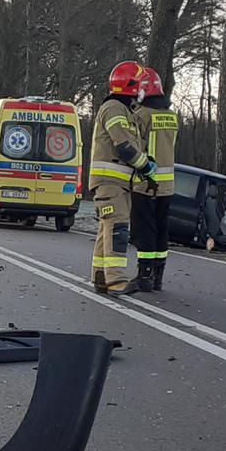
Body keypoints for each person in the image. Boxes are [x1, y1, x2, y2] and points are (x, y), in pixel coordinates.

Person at [88, 60, 156, 295]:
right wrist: (146, 166)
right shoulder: (115, 109)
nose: (142, 90)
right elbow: (125, 146)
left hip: (116, 184)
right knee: (117, 229)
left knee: (106, 229)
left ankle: (100, 277)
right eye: (138, 85)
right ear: (130, 86)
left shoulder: (123, 110)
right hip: (111, 183)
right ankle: (116, 281)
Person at [130, 66, 179, 291]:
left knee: (145, 229)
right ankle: (158, 275)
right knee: (161, 228)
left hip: (145, 182)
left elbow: (134, 147)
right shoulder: (171, 117)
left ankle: (144, 274)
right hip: (167, 185)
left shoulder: (141, 116)